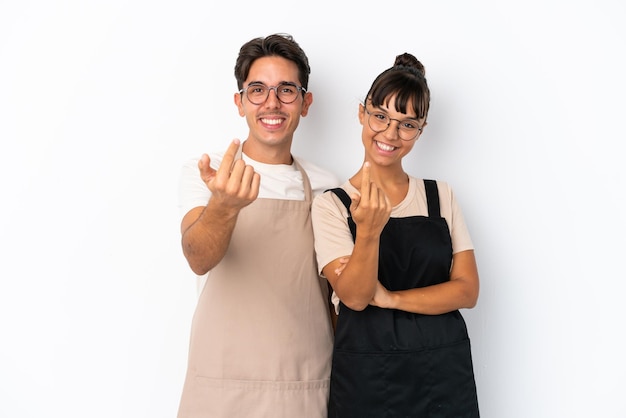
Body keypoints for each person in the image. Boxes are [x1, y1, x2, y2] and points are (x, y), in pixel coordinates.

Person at [177, 33, 339, 418]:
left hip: (303, 384)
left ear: (305, 102)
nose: (272, 103)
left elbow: (338, 296)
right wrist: (224, 205)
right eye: (257, 90)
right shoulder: (209, 173)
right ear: (239, 102)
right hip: (220, 384)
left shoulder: (327, 187)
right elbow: (198, 257)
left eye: (286, 90)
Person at [311, 53, 480, 417]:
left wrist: (392, 300)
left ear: (421, 130)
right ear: (362, 112)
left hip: (443, 374)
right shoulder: (332, 206)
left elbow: (467, 290)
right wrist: (369, 231)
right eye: (380, 116)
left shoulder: (440, 196)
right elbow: (354, 297)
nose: (390, 133)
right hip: (368, 378)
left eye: (407, 124)